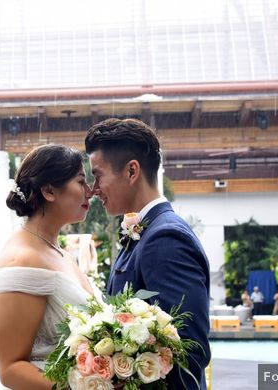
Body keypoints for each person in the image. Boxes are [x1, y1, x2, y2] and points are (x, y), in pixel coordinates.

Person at [85, 118, 210, 390]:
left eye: (98, 175)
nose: (94, 190)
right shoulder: (146, 232)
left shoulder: (165, 239)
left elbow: (187, 352)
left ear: (132, 172)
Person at [0, 144, 95, 389]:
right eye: (81, 182)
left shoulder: (59, 252)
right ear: (49, 191)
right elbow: (11, 369)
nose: (90, 192)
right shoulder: (23, 260)